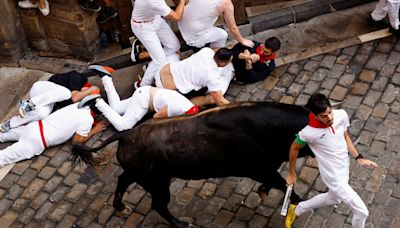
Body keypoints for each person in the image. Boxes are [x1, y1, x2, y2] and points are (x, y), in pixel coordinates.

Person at [285, 93, 378, 228]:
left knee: (333, 198)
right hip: (333, 176)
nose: (329, 118)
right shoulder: (308, 133)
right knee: (362, 212)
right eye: (323, 116)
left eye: (329, 112)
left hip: (344, 167)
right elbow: (294, 148)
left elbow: (345, 135)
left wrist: (358, 157)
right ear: (315, 116)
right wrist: (292, 174)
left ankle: (297, 208)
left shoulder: (341, 115)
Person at [0, 96, 107, 167]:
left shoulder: (78, 105)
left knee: (2, 136)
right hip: (37, 140)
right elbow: (76, 142)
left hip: (34, 127)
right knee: (3, 157)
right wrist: (94, 130)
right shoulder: (88, 119)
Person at [87, 65, 199, 132]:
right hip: (144, 100)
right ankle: (97, 101)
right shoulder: (177, 107)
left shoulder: (187, 104)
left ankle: (106, 77)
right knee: (124, 127)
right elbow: (156, 117)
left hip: (145, 93)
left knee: (116, 108)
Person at [0, 71, 99, 133]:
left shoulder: (77, 103)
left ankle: (10, 123)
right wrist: (92, 89)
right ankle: (29, 104)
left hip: (46, 102)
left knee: (42, 114)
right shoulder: (78, 77)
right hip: (41, 89)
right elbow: (75, 97)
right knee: (66, 93)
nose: (84, 96)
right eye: (86, 94)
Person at [131, 0, 187, 89]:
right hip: (143, 27)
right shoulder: (154, 1)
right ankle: (142, 85)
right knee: (159, 59)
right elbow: (176, 17)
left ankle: (149, 66)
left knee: (175, 46)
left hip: (156, 19)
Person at [154, 47, 232, 106]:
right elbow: (220, 101)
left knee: (175, 55)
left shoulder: (206, 51)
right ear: (223, 64)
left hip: (161, 71)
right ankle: (189, 105)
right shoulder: (212, 76)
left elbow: (215, 49)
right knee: (211, 99)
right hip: (165, 89)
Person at [177, 0, 254, 49]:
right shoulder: (226, 3)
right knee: (223, 35)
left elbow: (187, 2)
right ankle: (214, 55)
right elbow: (232, 28)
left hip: (181, 21)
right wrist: (242, 40)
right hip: (192, 36)